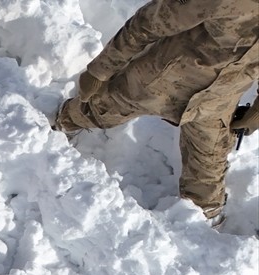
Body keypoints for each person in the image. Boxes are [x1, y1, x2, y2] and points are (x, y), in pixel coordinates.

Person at [53, 0, 258, 225]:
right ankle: (62, 123)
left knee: (208, 169)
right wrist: (101, 69)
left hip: (218, 101)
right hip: (159, 80)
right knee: (102, 109)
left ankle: (202, 222)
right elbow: (149, 22)